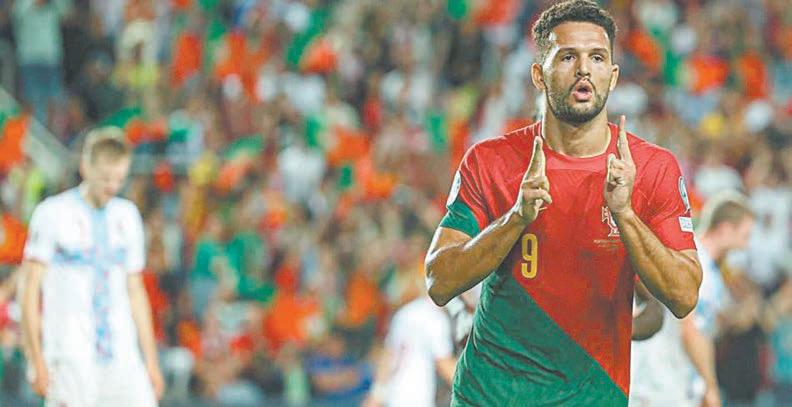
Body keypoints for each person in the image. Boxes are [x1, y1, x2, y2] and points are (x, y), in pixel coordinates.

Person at [424, 1, 703, 405]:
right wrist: (515, 218)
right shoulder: (489, 161)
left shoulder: (651, 169)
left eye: (597, 57)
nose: (584, 69)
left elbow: (684, 296)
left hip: (590, 397)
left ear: (613, 76)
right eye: (568, 56)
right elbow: (439, 281)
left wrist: (624, 214)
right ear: (539, 74)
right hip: (490, 395)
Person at [19, 127, 164, 406]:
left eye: (119, 179)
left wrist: (151, 361)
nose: (113, 186)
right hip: (69, 354)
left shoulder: (127, 216)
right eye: (106, 178)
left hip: (122, 355)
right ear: (86, 168)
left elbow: (136, 292)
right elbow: (30, 288)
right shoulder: (53, 214)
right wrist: (34, 357)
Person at [630, 192, 755, 407]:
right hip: (661, 380)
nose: (746, 245)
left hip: (666, 376)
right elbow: (691, 330)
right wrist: (711, 386)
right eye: (744, 236)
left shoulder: (705, 264)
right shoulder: (698, 266)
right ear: (725, 229)